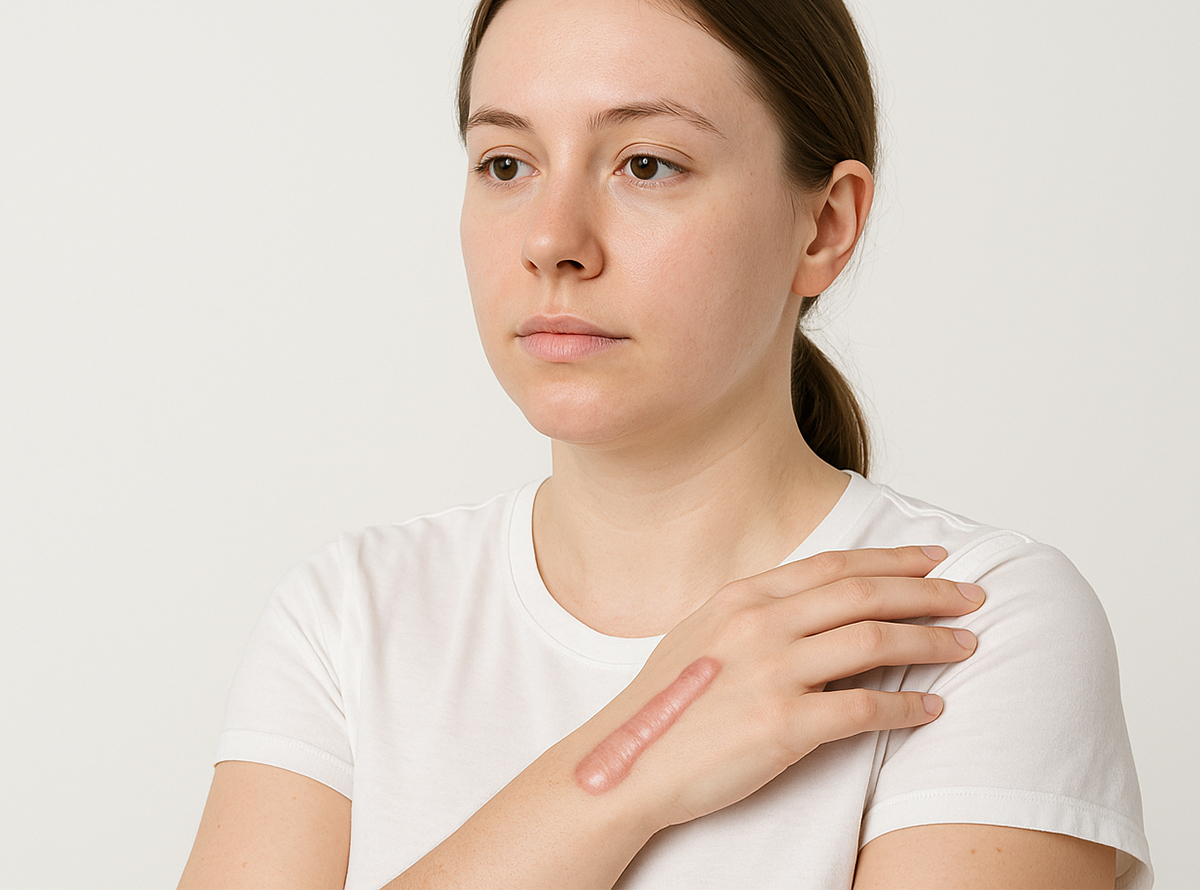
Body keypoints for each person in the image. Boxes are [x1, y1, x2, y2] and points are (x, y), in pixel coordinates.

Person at [178, 0, 1151, 886]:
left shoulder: (966, 626)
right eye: (506, 163)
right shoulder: (350, 616)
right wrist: (626, 764)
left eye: (646, 162)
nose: (552, 239)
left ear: (824, 224)